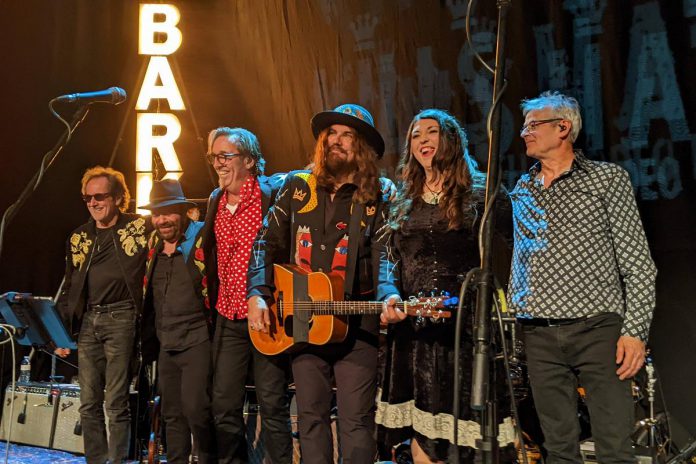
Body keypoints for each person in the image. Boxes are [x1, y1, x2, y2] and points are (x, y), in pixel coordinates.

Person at [507, 90, 657, 463]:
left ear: (563, 128)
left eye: (533, 125)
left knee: (614, 446)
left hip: (597, 330)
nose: (524, 133)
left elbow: (638, 263)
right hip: (539, 333)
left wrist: (635, 332)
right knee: (558, 449)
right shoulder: (521, 189)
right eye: (524, 126)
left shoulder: (606, 180)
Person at [247, 103, 398, 464]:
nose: (337, 141)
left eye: (347, 135)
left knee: (356, 421)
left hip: (356, 321)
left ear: (361, 145)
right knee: (310, 418)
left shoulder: (380, 193)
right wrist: (257, 293)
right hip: (301, 314)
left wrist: (389, 293)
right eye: (331, 133)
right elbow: (265, 242)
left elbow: (387, 253)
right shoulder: (296, 186)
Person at [377, 109, 515, 463]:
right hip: (417, 331)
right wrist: (389, 293)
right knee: (424, 427)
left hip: (467, 329)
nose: (423, 139)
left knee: (471, 428)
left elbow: (514, 253)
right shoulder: (403, 198)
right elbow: (389, 258)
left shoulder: (482, 192)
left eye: (432, 132)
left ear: (450, 139)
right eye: (416, 134)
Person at [202, 127, 292, 464]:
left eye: (226, 156)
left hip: (266, 314)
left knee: (272, 404)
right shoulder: (215, 200)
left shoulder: (273, 194)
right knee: (223, 406)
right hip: (228, 316)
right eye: (215, 156)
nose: (219, 163)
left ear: (250, 160)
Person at [56, 166, 151, 463]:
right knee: (88, 403)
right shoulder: (79, 237)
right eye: (88, 198)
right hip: (89, 322)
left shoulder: (138, 227)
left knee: (117, 401)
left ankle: (118, 460)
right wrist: (60, 331)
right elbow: (71, 285)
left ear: (119, 197)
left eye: (100, 196)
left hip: (121, 317)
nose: (93, 203)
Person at [141, 179, 215, 463]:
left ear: (182, 212)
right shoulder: (153, 244)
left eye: (168, 212)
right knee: (172, 414)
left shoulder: (200, 237)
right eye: (157, 214)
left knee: (197, 409)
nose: (162, 220)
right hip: (166, 341)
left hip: (197, 338)